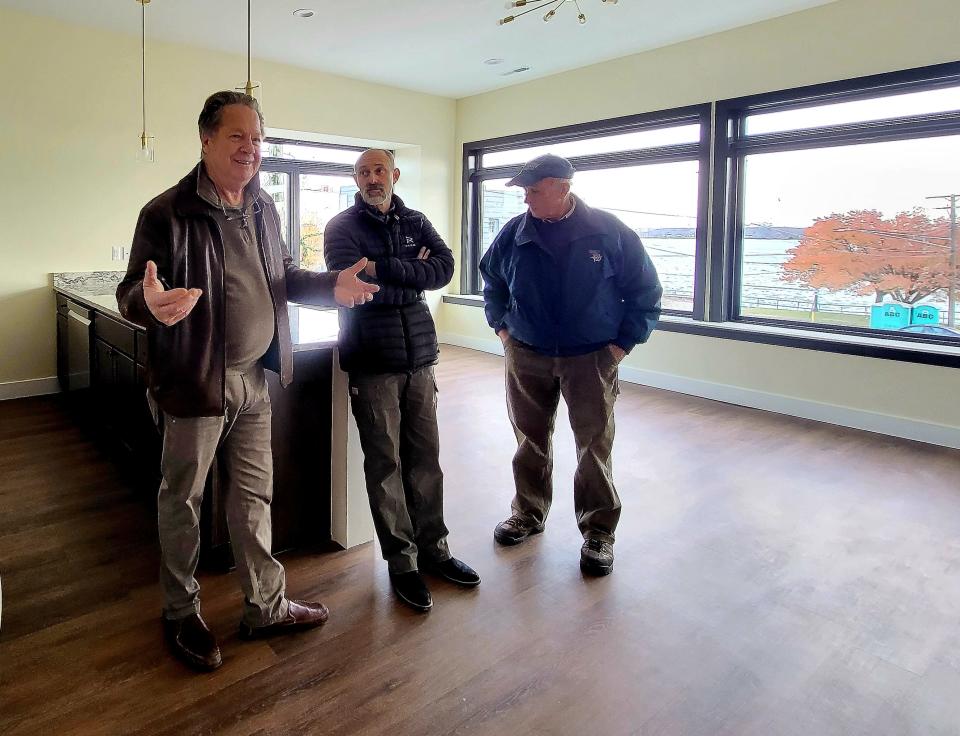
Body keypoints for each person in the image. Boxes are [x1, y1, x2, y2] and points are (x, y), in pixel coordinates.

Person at [117, 91, 379, 672]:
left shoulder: (263, 208)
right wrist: (149, 303)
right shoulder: (166, 213)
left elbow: (280, 278)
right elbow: (133, 289)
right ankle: (181, 611)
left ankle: (266, 603)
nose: (250, 148)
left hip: (255, 381)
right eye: (237, 136)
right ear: (206, 140)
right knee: (182, 501)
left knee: (254, 496)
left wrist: (330, 287)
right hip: (193, 384)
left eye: (257, 138)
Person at [478, 153, 662, 576]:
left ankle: (599, 531)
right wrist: (503, 331)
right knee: (530, 440)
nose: (527, 200)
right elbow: (493, 283)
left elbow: (646, 291)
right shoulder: (514, 234)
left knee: (593, 446)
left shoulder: (608, 232)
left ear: (563, 187)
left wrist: (620, 346)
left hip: (590, 358)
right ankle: (528, 513)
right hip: (526, 353)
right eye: (524, 192)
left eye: (534, 191)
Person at [323, 149, 480, 612]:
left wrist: (383, 266)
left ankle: (436, 550)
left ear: (393, 174)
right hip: (374, 362)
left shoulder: (415, 219)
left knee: (426, 460)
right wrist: (412, 273)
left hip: (421, 359)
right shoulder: (341, 228)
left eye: (379, 170)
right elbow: (359, 289)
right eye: (363, 172)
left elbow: (445, 268)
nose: (372, 178)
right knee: (386, 463)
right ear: (355, 179)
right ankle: (403, 562)